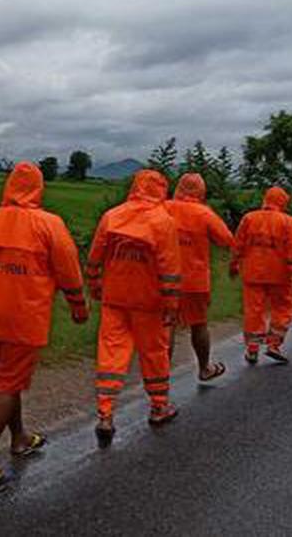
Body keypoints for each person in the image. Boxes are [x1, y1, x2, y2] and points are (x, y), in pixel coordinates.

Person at [0, 161, 87, 487]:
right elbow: (69, 270)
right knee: (8, 385)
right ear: (38, 188)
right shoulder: (49, 224)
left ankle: (19, 438)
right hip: (24, 315)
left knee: (5, 380)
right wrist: (78, 306)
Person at [86, 169, 183, 446]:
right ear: (160, 190)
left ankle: (105, 415)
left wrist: (94, 286)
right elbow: (169, 269)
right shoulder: (163, 221)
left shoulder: (112, 216)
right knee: (154, 353)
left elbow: (95, 257)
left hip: (114, 297)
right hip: (148, 301)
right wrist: (171, 304)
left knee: (111, 354)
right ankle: (159, 407)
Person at [165, 173, 235, 381]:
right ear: (201, 191)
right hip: (195, 281)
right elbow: (226, 240)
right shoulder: (204, 214)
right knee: (199, 324)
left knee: (166, 326)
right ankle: (205, 368)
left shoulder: (163, 207)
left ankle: (160, 377)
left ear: (179, 188)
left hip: (165, 279)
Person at [230, 186, 292, 364]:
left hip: (253, 274)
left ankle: (252, 349)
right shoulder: (288, 222)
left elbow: (237, 244)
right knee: (283, 308)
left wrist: (233, 265)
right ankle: (274, 345)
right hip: (280, 276)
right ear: (283, 202)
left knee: (253, 311)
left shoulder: (249, 218)